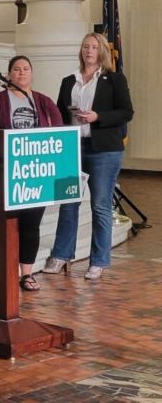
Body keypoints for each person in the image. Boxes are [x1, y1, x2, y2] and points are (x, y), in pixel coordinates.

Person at [44, 33, 133, 280]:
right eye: (85, 46)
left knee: (100, 205)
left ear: (102, 51)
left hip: (104, 150)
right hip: (72, 149)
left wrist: (98, 117)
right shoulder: (68, 80)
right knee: (68, 202)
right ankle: (61, 255)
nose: (89, 51)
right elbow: (61, 113)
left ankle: (99, 261)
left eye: (94, 47)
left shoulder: (113, 80)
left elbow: (127, 112)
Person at [0, 55, 63, 292]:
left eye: (26, 69)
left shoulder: (43, 101)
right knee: (1, 226)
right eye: (16, 69)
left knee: (30, 225)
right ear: (9, 74)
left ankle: (26, 274)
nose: (21, 73)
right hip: (3, 174)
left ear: (32, 73)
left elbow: (57, 133)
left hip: (35, 174)